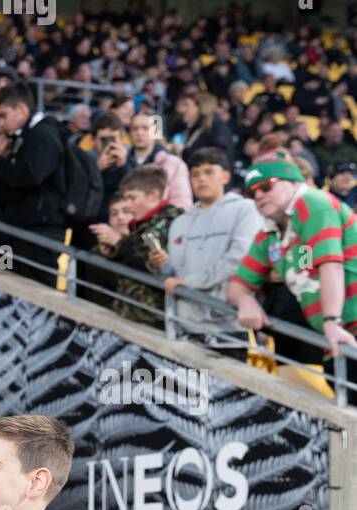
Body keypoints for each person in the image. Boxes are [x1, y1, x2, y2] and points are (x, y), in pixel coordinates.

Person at [229, 153, 357, 388]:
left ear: (294, 183)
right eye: (252, 192)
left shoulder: (314, 203)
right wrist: (245, 300)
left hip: (342, 332)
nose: (258, 196)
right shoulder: (271, 233)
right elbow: (239, 284)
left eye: (266, 187)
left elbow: (331, 266)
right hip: (339, 341)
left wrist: (331, 322)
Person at [152, 147, 262, 355]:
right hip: (181, 327)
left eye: (209, 172)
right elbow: (173, 275)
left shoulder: (246, 210)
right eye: (195, 174)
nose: (201, 179)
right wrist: (160, 265)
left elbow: (239, 260)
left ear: (226, 176)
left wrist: (190, 283)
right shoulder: (179, 222)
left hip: (227, 330)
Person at [0, 82, 68, 283]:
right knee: (5, 284)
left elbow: (30, 175)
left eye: (3, 115)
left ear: (21, 110)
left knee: (36, 294)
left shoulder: (43, 134)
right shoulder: (29, 135)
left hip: (40, 234)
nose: (1, 123)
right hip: (17, 233)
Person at [91, 165, 184, 327]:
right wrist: (115, 252)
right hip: (133, 314)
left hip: (154, 318)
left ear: (153, 195)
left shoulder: (169, 222)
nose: (129, 206)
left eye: (132, 198)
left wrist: (119, 243)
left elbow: (152, 264)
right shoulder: (143, 225)